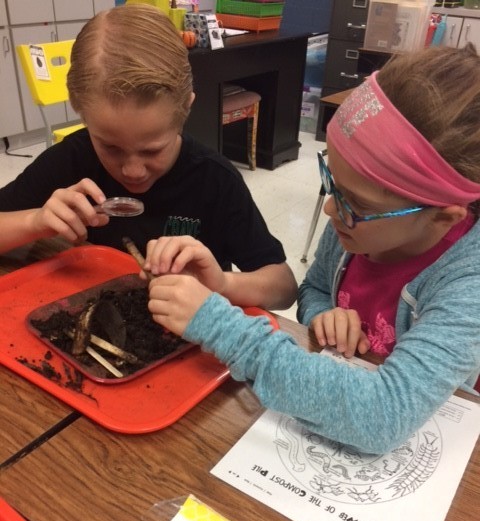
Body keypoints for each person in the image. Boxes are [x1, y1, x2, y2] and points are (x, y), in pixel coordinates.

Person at [145, 44, 480, 453]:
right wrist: (323, 314)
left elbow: (383, 417)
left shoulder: (468, 282)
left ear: (444, 217)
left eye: (358, 204)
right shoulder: (354, 226)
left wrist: (221, 328)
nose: (329, 208)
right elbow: (315, 289)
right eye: (332, 184)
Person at [0, 4, 297, 311]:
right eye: (111, 147)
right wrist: (35, 221)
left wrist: (221, 284)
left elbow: (284, 287)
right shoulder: (70, 160)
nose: (132, 170)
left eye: (153, 150)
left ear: (185, 110)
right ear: (80, 110)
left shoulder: (214, 180)